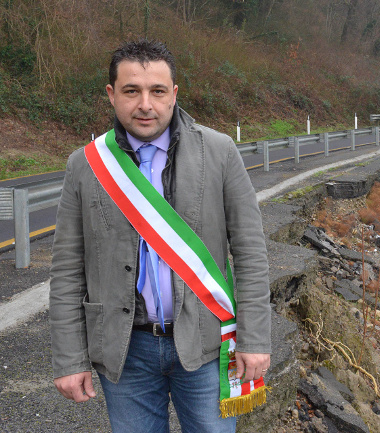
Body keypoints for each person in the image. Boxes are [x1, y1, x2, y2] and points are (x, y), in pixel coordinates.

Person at [49, 39, 271, 432]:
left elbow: (251, 252)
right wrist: (70, 359)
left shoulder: (219, 152)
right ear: (111, 95)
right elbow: (67, 270)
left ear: (175, 94)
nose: (145, 104)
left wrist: (255, 338)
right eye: (131, 91)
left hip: (207, 346)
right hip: (125, 351)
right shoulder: (85, 165)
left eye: (157, 91)